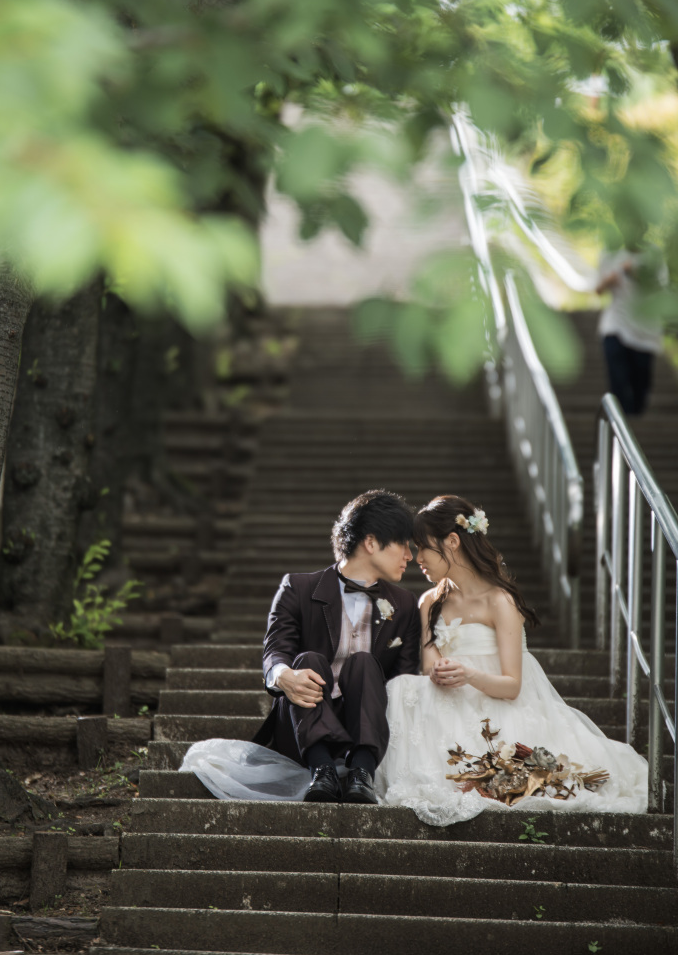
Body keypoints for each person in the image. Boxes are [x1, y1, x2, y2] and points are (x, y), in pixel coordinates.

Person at [375, 495, 648, 824]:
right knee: (403, 688)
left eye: (423, 548)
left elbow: (512, 686)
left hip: (497, 699)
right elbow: (429, 656)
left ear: (452, 541)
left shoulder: (500, 601)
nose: (417, 557)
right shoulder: (429, 600)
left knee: (529, 770)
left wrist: (469, 674)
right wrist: (439, 670)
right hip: (449, 697)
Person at [181, 489, 421, 803]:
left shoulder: (404, 604)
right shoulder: (297, 587)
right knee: (307, 659)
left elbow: (404, 681)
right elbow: (276, 649)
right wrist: (282, 676)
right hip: (302, 730)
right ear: (372, 542)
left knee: (364, 662)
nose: (410, 556)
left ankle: (362, 773)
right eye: (403, 544)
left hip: (367, 730)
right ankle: (322, 770)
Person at [596, 246, 665, 416]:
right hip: (615, 325)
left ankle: (634, 423)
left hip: (645, 332)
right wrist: (610, 279)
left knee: (640, 384)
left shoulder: (654, 257)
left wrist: (635, 274)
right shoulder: (610, 254)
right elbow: (598, 289)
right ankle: (620, 422)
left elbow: (660, 290)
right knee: (617, 379)